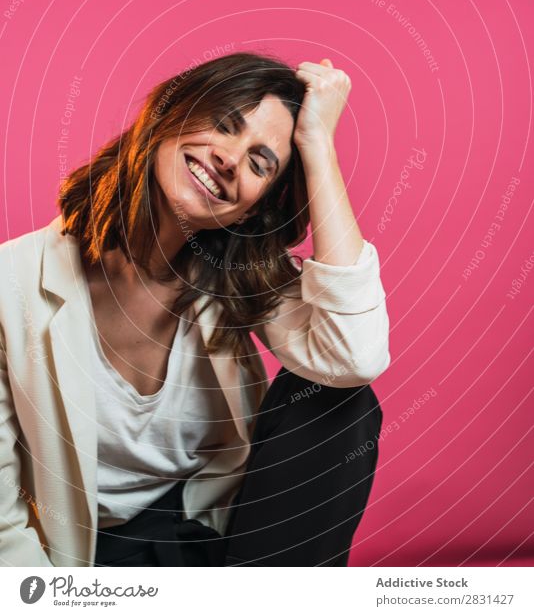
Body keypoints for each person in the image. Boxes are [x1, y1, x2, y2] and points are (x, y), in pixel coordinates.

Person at [0, 51, 390, 567]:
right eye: (223, 126)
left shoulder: (237, 275)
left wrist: (318, 147)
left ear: (254, 206)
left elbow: (354, 360)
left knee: (339, 405)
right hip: (85, 558)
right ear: (169, 114)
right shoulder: (13, 283)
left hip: (214, 537)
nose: (228, 158)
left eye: (259, 163)